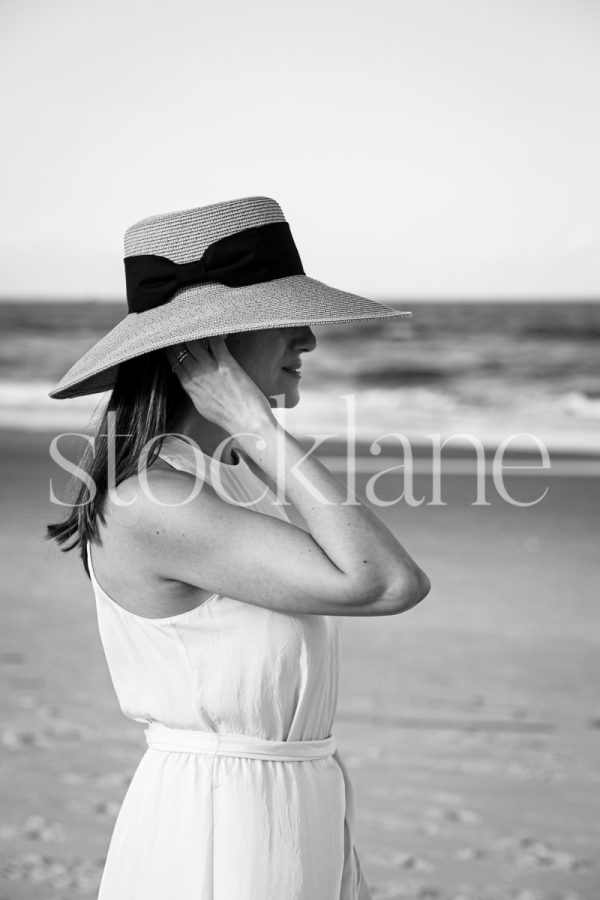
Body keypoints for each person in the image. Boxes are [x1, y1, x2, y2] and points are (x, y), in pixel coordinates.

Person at [47, 195, 431, 900]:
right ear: (204, 350)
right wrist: (256, 424)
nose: (309, 341)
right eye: (284, 320)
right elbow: (384, 583)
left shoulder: (221, 479)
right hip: (223, 821)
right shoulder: (153, 500)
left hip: (292, 801)